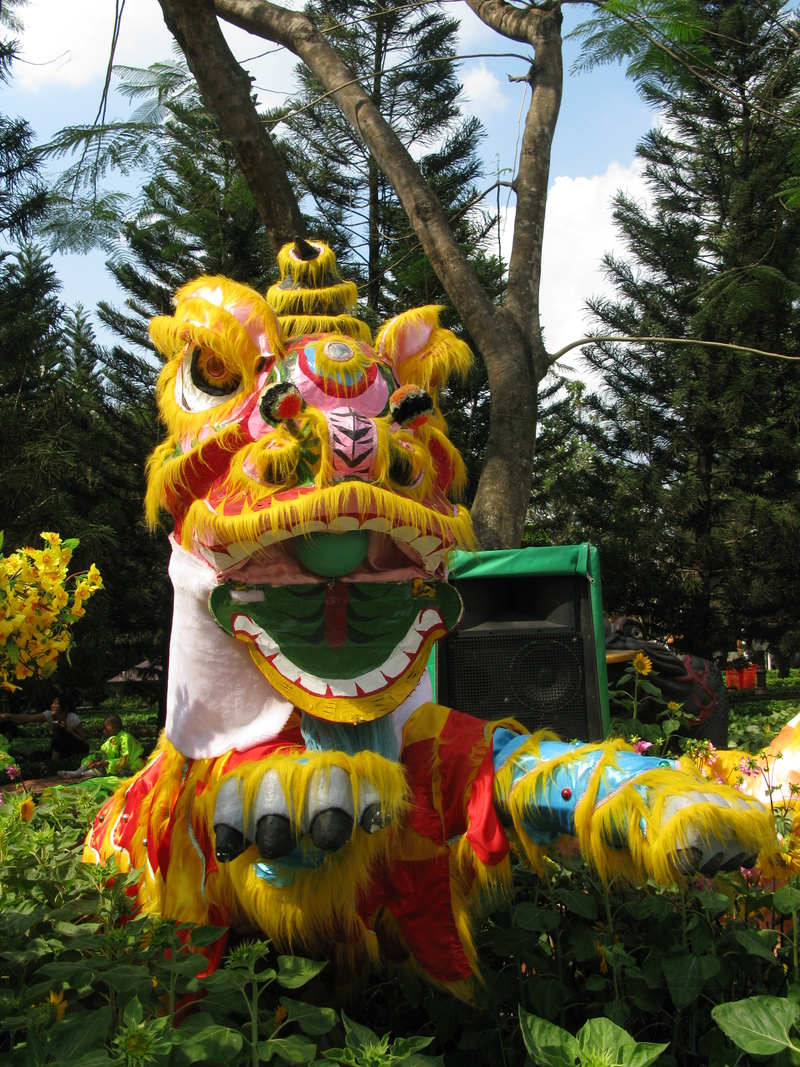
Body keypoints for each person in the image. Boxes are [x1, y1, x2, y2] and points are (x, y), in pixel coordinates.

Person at [0, 694, 90, 760]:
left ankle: (54, 762)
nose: (52, 706)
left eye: (56, 704)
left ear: (65, 708)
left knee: (59, 732)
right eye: (52, 703)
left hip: (79, 748)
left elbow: (82, 739)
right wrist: (7, 716)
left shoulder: (72, 718)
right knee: (35, 756)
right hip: (63, 750)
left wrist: (67, 729)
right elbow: (29, 718)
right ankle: (54, 758)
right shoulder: (49, 715)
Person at [58, 714, 145, 780]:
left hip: (129, 766)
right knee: (93, 756)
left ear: (112, 727)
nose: (104, 731)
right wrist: (96, 760)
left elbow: (125, 759)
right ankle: (78, 772)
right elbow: (105, 753)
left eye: (105, 728)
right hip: (114, 765)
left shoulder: (126, 738)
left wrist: (105, 763)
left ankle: (99, 771)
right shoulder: (113, 738)